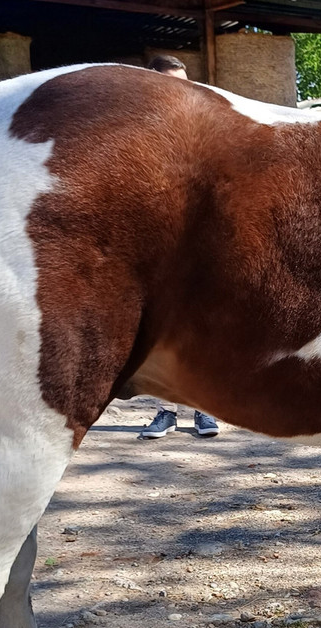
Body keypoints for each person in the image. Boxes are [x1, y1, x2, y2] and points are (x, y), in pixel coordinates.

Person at [138, 55, 220, 440]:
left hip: (198, 244)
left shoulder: (202, 131)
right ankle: (166, 412)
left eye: (185, 83)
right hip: (159, 246)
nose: (181, 91)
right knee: (161, 330)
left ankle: (204, 409)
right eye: (172, 83)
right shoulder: (141, 135)